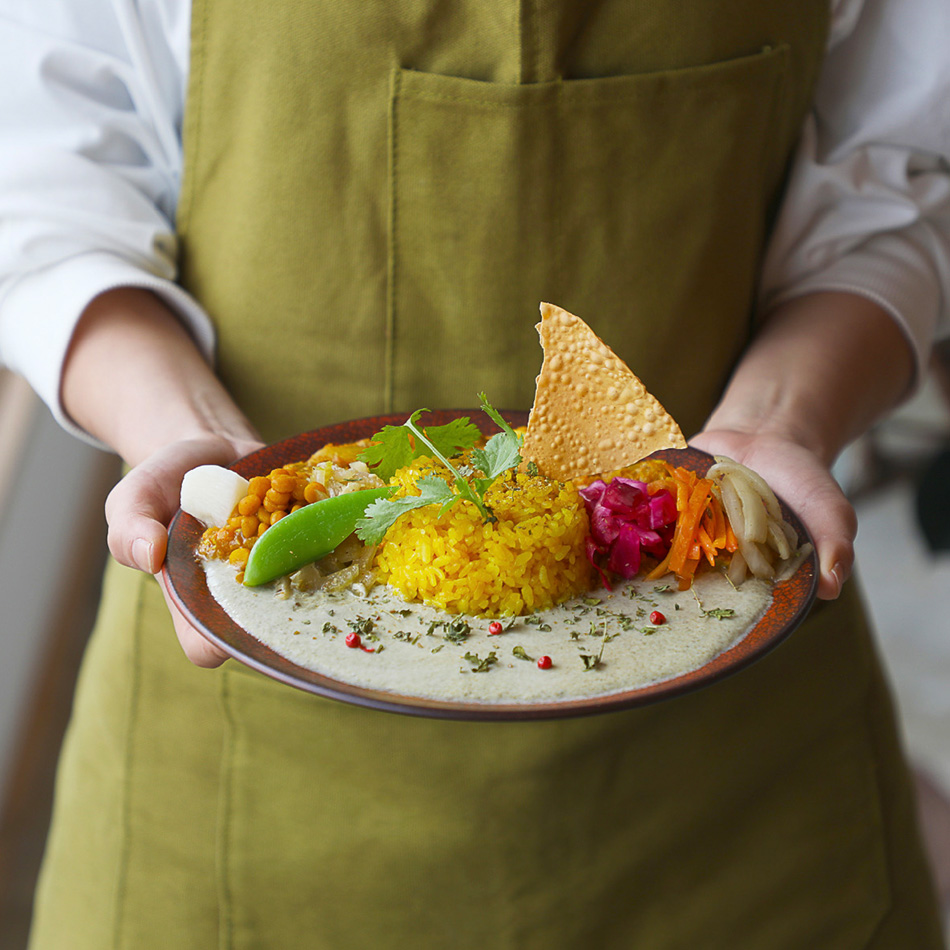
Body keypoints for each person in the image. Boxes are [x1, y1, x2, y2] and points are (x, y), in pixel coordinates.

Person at [1, 0, 948, 946]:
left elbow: (903, 186)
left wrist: (773, 425)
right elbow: (46, 191)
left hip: (742, 765)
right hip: (232, 766)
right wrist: (198, 442)